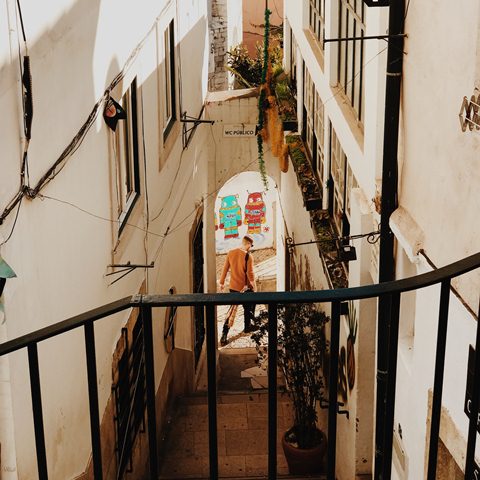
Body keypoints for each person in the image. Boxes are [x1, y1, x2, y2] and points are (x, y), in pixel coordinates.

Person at [219, 235, 257, 345]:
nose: (250, 247)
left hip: (233, 288)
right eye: (251, 245)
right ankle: (247, 326)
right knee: (249, 306)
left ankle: (224, 335)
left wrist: (221, 283)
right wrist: (254, 287)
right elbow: (250, 275)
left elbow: (225, 269)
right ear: (248, 244)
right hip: (245, 289)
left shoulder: (231, 253)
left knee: (231, 312)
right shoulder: (249, 257)